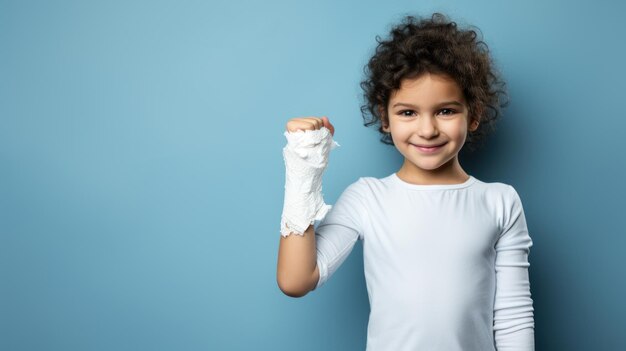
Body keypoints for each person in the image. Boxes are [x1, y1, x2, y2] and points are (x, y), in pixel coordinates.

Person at [276, 12, 534, 351]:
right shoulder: (368, 198)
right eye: (408, 112)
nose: (427, 130)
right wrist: (303, 168)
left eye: (445, 111)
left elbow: (514, 319)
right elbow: (296, 279)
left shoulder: (500, 201)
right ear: (385, 117)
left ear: (474, 115)